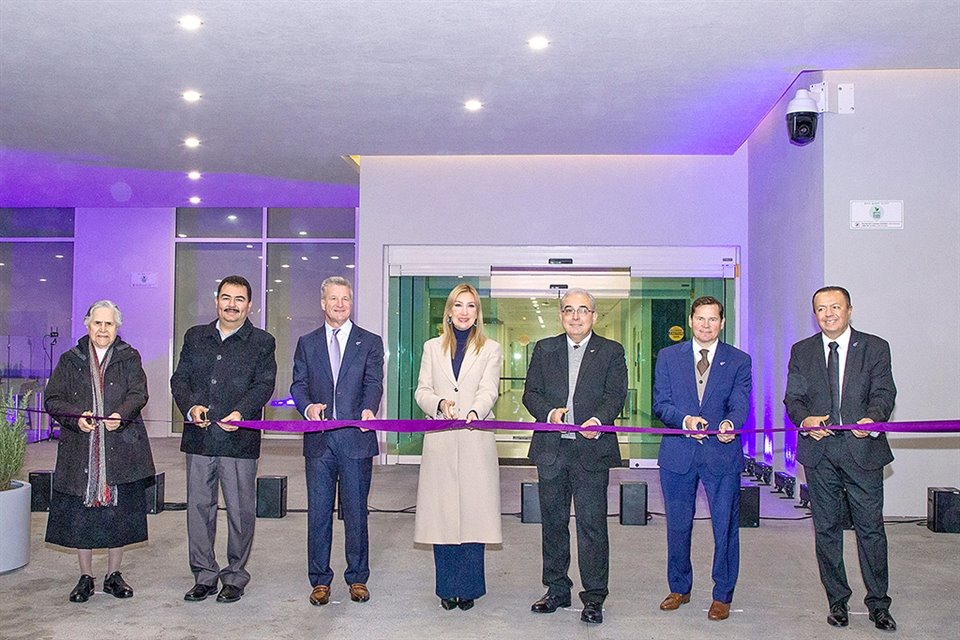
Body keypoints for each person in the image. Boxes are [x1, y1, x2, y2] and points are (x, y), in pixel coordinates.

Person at [784, 286, 897, 631]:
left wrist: (872, 419)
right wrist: (805, 421)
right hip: (820, 455)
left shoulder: (875, 347)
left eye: (835, 307)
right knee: (827, 530)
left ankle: (879, 604)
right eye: (821, 308)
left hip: (862, 452)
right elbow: (793, 398)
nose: (828, 313)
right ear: (814, 313)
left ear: (850, 310)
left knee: (871, 530)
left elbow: (884, 392)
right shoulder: (801, 351)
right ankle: (838, 601)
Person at [522, 288, 627, 625]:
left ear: (594, 316)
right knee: (553, 524)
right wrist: (549, 413)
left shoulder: (611, 351)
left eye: (583, 310)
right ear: (561, 315)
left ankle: (594, 597)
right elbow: (530, 394)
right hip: (552, 450)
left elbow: (615, 395)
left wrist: (599, 420)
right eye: (569, 310)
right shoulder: (545, 349)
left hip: (591, 451)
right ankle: (556, 589)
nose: (576, 316)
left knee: (592, 526)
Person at [171, 275, 277, 604]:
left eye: (239, 299)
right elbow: (180, 379)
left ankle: (234, 575)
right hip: (199, 439)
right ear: (216, 301)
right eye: (226, 298)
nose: (232, 304)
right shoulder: (195, 337)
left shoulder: (262, 342)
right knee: (198, 510)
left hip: (238, 441)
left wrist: (242, 413)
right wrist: (190, 407)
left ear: (250, 305)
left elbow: (264, 385)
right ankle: (204, 575)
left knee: (240, 512)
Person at [45, 300, 155, 603]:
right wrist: (76, 417)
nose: (103, 329)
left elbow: (138, 393)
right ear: (87, 324)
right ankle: (85, 577)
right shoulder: (71, 359)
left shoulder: (129, 357)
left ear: (116, 327)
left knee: (117, 516)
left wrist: (120, 414)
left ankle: (113, 576)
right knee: (83, 519)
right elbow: (53, 399)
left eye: (109, 324)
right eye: (97, 323)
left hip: (122, 449)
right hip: (80, 453)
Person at [652, 295, 752, 621]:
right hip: (678, 455)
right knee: (678, 526)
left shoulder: (738, 360)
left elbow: (740, 403)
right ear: (691, 320)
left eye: (712, 319)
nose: (706, 325)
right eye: (700, 318)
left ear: (722, 323)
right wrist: (684, 421)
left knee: (724, 527)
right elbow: (661, 403)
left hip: (721, 455)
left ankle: (722, 594)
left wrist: (730, 425)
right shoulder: (668, 357)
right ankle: (679, 587)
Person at [291, 276, 384, 607]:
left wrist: (369, 408)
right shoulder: (307, 342)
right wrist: (307, 407)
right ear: (323, 303)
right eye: (334, 298)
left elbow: (374, 382)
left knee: (357, 513)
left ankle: (357, 578)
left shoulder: (370, 342)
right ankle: (319, 580)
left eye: (345, 298)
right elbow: (298, 385)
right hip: (319, 444)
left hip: (356, 442)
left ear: (351, 301)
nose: (340, 304)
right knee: (318, 514)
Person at [413, 284, 503, 611]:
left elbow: (489, 388)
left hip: (475, 437)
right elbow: (421, 390)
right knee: (442, 517)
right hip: (440, 440)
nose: (464, 312)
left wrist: (474, 412)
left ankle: (469, 590)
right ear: (448, 311)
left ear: (477, 313)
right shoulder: (431, 348)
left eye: (471, 306)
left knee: (473, 516)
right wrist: (439, 403)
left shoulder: (490, 348)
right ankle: (446, 589)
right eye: (458, 306)